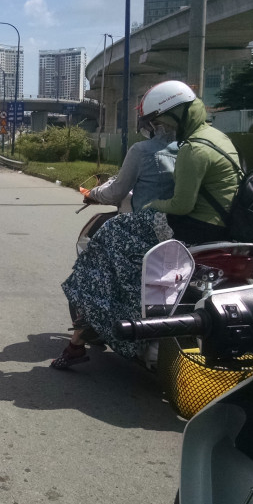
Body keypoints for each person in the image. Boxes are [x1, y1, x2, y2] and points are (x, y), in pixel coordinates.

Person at [52, 113, 178, 370]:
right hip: (190, 230)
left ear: (152, 124)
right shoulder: (195, 148)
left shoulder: (143, 150)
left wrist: (93, 193)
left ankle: (76, 344)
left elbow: (118, 191)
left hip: (147, 230)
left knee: (92, 273)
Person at [138, 80, 239, 245]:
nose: (158, 129)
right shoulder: (216, 136)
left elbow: (181, 206)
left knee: (116, 229)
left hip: (203, 227)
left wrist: (151, 205)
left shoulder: (193, 149)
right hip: (224, 222)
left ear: (177, 114)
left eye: (158, 122)